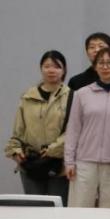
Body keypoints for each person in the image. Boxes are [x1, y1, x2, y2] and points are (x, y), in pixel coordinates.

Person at [65, 48, 110, 209]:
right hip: (84, 162)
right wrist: (69, 161)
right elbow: (73, 129)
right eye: (101, 63)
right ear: (95, 66)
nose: (105, 67)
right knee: (80, 208)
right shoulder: (82, 94)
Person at [6, 51, 71, 201]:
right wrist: (15, 152)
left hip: (59, 165)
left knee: (57, 208)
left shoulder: (72, 96)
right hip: (31, 163)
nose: (51, 70)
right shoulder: (27, 97)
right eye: (47, 66)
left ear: (64, 70)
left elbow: (73, 131)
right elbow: (18, 130)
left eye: (56, 66)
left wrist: (52, 150)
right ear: (41, 68)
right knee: (34, 208)